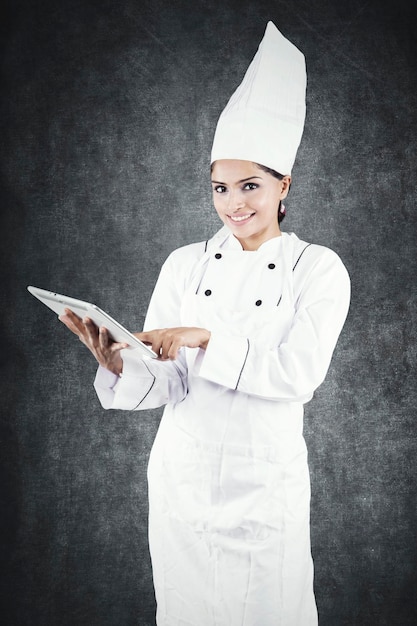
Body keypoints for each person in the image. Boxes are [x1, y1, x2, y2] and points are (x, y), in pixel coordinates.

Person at [60, 22, 350, 626]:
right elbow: (169, 383)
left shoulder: (316, 268)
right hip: (183, 486)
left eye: (250, 186)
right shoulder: (185, 264)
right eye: (221, 187)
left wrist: (205, 337)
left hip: (262, 489)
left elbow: (299, 375)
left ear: (283, 184)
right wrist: (119, 363)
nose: (234, 203)